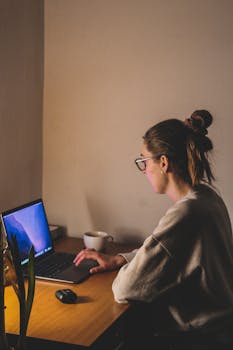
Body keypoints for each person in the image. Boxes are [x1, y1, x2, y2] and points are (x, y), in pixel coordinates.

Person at [74, 110, 233, 349]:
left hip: (198, 338)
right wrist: (120, 258)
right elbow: (166, 251)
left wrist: (126, 269)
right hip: (220, 328)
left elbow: (126, 288)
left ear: (164, 162)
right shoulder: (207, 197)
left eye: (144, 161)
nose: (144, 170)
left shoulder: (185, 214)